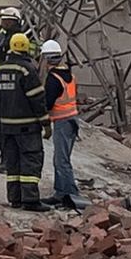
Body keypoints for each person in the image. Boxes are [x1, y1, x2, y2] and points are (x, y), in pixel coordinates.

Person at [0, 33, 51, 212]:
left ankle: (15, 198)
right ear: (26, 48)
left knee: (13, 162)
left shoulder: (0, 69)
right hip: (27, 126)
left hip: (7, 126)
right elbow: (36, 98)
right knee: (31, 160)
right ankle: (31, 200)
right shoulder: (27, 69)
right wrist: (45, 123)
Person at [40, 40, 80, 207]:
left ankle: (70, 195)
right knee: (63, 158)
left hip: (62, 121)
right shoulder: (69, 75)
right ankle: (62, 192)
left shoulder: (53, 79)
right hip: (72, 119)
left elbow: (48, 103)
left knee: (61, 160)